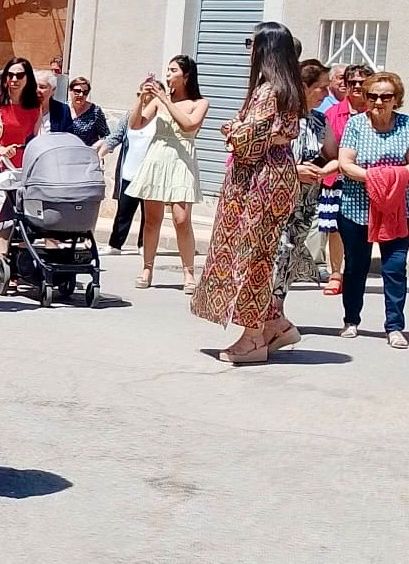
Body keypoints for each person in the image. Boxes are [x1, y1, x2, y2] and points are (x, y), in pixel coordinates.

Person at [190, 24, 305, 363]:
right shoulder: (287, 88)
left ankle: (254, 339)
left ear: (266, 49)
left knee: (251, 257)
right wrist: (241, 129)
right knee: (258, 254)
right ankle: (276, 325)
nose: (248, 50)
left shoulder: (270, 91)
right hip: (275, 177)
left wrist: (232, 129)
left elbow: (247, 141)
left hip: (259, 183)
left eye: (251, 43)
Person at [335, 71, 409, 347]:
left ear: (396, 99)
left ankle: (395, 326)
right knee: (356, 266)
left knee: (395, 268)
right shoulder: (355, 125)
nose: (379, 102)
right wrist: (377, 177)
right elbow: (345, 163)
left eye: (386, 96)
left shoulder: (407, 126)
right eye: (373, 96)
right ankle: (351, 320)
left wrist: (391, 178)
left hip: (397, 209)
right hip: (357, 208)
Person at [127, 56, 208, 292]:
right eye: (168, 70)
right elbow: (135, 124)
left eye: (173, 70)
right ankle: (147, 268)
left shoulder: (200, 103)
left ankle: (189, 272)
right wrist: (141, 100)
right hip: (157, 157)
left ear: (186, 75)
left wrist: (164, 99)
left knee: (181, 220)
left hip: (181, 160)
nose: (168, 74)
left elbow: (189, 125)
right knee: (152, 219)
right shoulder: (158, 102)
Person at [273, 60, 336, 305]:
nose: (327, 94)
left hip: (305, 203)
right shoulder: (278, 116)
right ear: (304, 86)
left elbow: (334, 156)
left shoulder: (319, 121)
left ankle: (277, 309)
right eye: (322, 87)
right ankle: (267, 311)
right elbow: (259, 157)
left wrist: (324, 170)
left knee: (290, 255)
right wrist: (294, 171)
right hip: (276, 199)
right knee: (277, 252)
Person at [0, 57, 39, 278]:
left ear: (27, 78)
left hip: (18, 164)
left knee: (9, 213)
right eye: (10, 75)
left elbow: (36, 137)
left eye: (19, 75)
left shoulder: (34, 106)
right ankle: (6, 262)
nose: (14, 79)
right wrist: (0, 148)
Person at [318, 64, 370, 296]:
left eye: (362, 82)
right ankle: (336, 274)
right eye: (351, 82)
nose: (356, 86)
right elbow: (327, 149)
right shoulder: (333, 113)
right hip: (337, 177)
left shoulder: (375, 111)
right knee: (335, 228)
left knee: (364, 229)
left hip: (366, 179)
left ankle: (355, 272)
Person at [97, 113, 156, 253]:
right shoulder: (130, 116)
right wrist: (100, 153)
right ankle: (115, 245)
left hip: (151, 175)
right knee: (123, 211)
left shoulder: (161, 118)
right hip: (129, 173)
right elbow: (117, 136)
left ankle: (144, 245)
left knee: (149, 213)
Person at [65, 77, 110, 148]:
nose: (81, 95)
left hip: (87, 152)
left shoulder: (95, 111)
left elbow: (106, 136)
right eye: (77, 91)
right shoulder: (62, 109)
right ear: (70, 90)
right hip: (64, 151)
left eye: (85, 92)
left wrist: (94, 147)